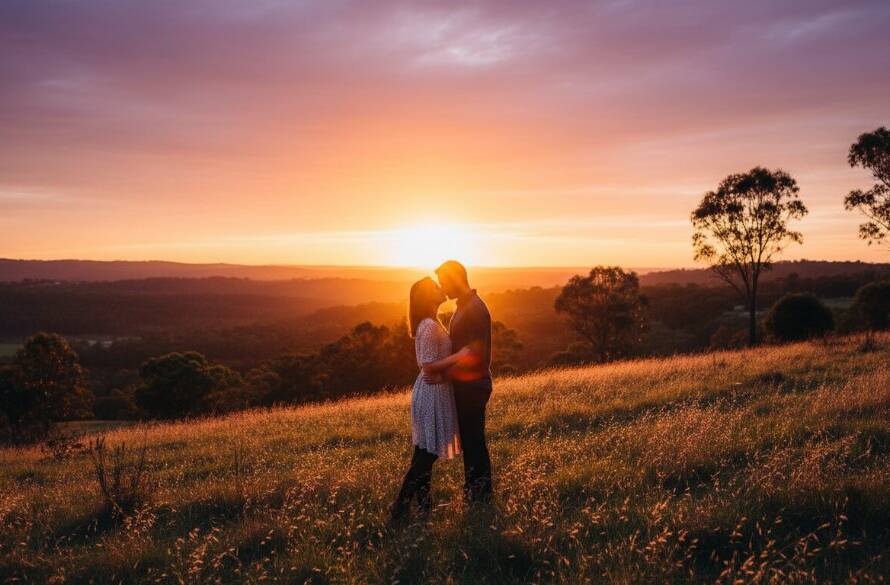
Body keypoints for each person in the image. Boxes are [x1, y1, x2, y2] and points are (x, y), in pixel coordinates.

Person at [390, 277, 468, 523]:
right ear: (426, 296)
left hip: (435, 392)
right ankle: (400, 507)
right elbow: (427, 366)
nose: (440, 288)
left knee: (424, 453)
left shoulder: (431, 322)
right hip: (430, 394)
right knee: (427, 454)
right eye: (435, 286)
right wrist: (460, 356)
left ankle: (424, 507)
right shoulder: (428, 326)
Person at [432, 260, 494, 504]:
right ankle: (475, 493)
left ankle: (480, 496)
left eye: (444, 281)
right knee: (471, 442)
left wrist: (444, 375)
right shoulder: (465, 306)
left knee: (474, 442)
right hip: (467, 387)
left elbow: (476, 356)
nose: (443, 287)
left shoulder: (475, 309)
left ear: (457, 279)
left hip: (473, 388)